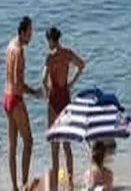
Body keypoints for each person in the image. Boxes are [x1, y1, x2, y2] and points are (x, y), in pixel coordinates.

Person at [43, 26, 86, 190]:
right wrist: (72, 83)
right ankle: (70, 184)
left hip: (54, 100)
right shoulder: (67, 54)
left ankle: (54, 187)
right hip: (65, 98)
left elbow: (43, 80)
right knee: (67, 145)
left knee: (54, 146)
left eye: (48, 41)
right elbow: (81, 65)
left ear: (52, 40)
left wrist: (47, 92)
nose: (47, 44)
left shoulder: (50, 58)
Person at [4, 18, 44, 191]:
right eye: (29, 32)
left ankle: (15, 187)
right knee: (29, 141)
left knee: (12, 146)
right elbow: (17, 82)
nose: (31, 36)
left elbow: (10, 79)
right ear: (22, 32)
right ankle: (25, 184)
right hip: (15, 99)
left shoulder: (9, 46)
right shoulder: (19, 51)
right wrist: (35, 92)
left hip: (6, 97)